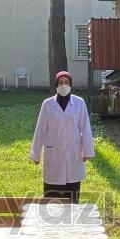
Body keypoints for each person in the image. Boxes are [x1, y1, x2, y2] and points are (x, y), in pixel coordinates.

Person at [29, 71, 94, 203]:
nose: (63, 85)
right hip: (54, 153)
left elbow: (85, 128)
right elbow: (40, 130)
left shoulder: (79, 103)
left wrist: (87, 151)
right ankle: (52, 221)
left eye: (66, 83)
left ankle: (71, 220)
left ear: (70, 85)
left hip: (73, 153)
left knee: (72, 195)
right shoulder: (47, 104)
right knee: (52, 196)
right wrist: (35, 155)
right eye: (60, 83)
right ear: (56, 85)